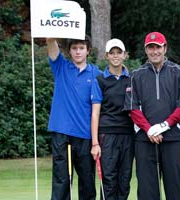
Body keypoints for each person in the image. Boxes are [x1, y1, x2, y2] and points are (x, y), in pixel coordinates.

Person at [124, 31, 180, 200]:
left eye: (158, 47)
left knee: (175, 189)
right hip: (145, 140)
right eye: (151, 48)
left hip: (174, 139)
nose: (154, 51)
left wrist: (164, 125)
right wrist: (149, 129)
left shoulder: (178, 72)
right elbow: (132, 108)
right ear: (146, 50)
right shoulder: (136, 75)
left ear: (165, 48)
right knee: (148, 191)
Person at [46, 36, 101, 200]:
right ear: (69, 51)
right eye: (74, 48)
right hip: (62, 132)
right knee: (62, 180)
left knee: (87, 182)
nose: (78, 51)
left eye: (81, 48)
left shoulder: (96, 74)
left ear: (88, 50)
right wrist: (51, 36)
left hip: (85, 135)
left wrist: (95, 142)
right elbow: (51, 44)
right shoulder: (61, 67)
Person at [90, 38, 134, 200]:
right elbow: (95, 113)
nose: (115, 56)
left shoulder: (132, 79)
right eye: (112, 53)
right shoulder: (100, 80)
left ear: (124, 55)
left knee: (124, 180)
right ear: (107, 56)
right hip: (106, 135)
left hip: (128, 135)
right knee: (108, 180)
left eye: (119, 53)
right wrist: (95, 143)